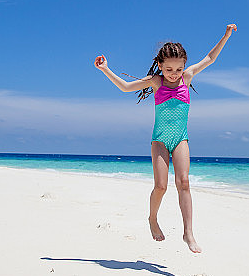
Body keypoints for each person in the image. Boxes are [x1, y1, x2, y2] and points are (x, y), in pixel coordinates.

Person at [94, 23, 237, 253]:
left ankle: (188, 233)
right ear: (160, 65)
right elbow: (125, 87)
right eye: (169, 69)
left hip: (181, 139)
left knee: (184, 183)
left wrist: (226, 35)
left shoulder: (187, 78)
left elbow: (210, 58)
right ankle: (152, 219)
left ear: (184, 67)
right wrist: (106, 69)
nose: (173, 74)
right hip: (159, 140)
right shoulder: (156, 82)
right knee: (161, 186)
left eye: (178, 69)